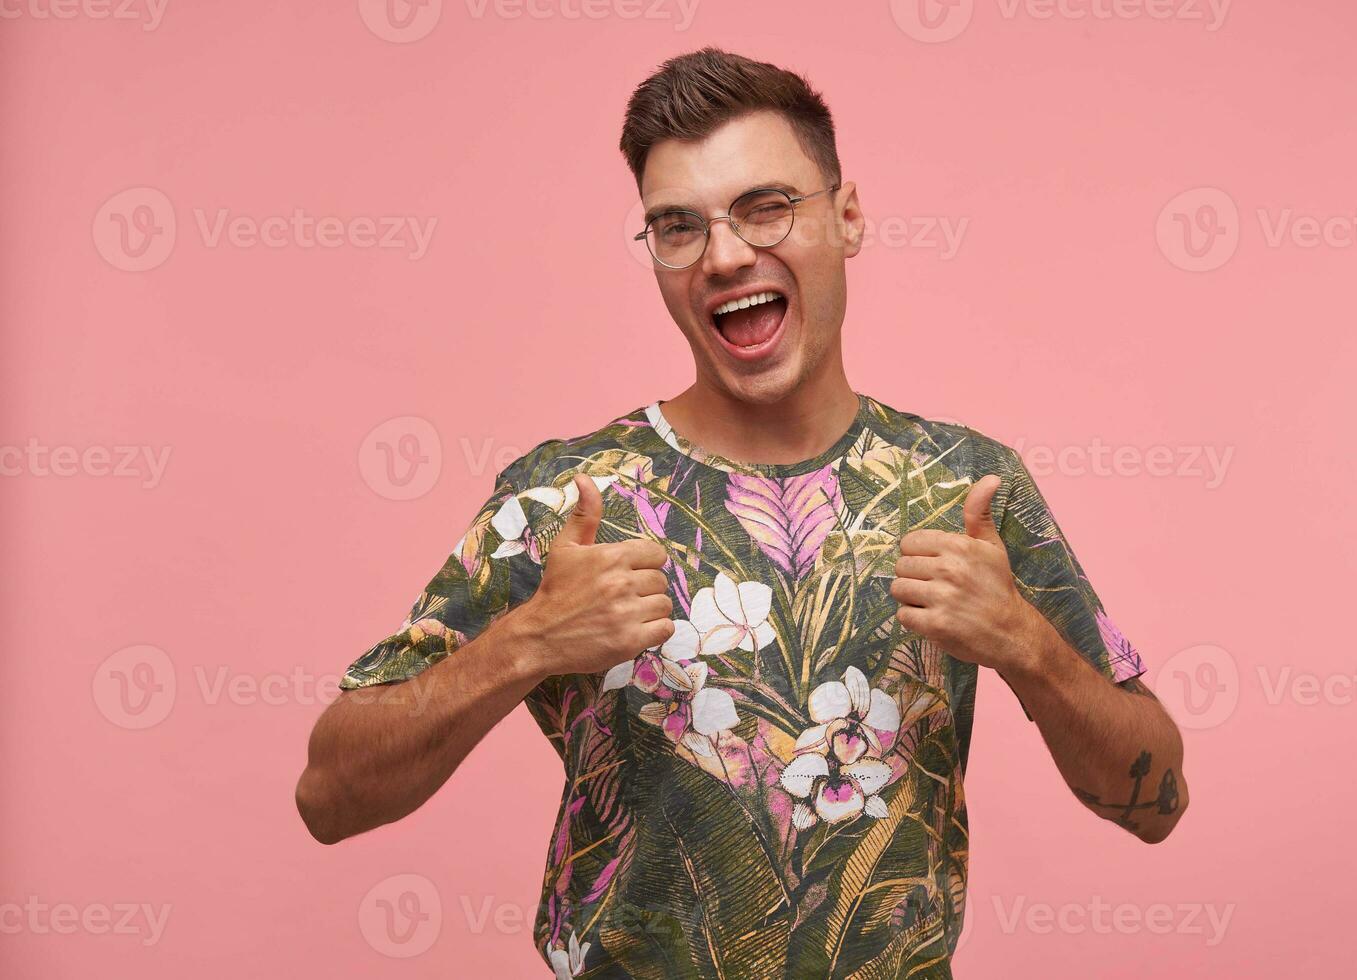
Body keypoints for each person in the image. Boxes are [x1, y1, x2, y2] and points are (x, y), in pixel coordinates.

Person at [295, 46, 1190, 979]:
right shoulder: (570, 502)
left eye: (767, 207)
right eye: (677, 226)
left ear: (847, 218)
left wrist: (1027, 644)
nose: (725, 255)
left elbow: (1157, 801)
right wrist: (530, 642)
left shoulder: (963, 487)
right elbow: (330, 797)